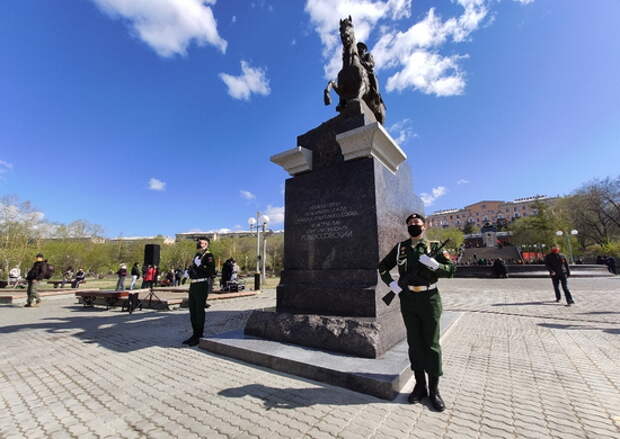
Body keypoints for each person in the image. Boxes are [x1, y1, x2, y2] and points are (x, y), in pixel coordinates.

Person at [378, 213, 455, 411]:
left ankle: (434, 391)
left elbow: (451, 270)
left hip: (429, 299)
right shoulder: (400, 248)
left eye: (417, 223)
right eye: (410, 223)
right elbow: (383, 267)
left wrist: (435, 265)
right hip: (409, 299)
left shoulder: (433, 246)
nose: (414, 225)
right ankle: (419, 386)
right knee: (414, 343)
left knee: (431, 344)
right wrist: (393, 284)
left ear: (424, 226)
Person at [183, 236, 216, 347]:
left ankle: (199, 335)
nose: (198, 244)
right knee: (192, 309)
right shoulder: (197, 255)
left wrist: (200, 265)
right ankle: (194, 334)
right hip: (193, 284)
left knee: (199, 309)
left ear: (206, 244)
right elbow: (193, 267)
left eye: (201, 242)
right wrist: (188, 272)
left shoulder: (209, 256)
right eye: (198, 242)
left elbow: (210, 271)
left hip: (202, 284)